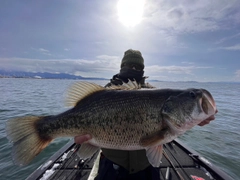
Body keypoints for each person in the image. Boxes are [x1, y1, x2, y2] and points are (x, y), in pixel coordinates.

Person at [74, 49, 216, 180]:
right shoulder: (103, 94)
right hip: (113, 163)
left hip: (145, 166)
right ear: (122, 66)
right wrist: (78, 135)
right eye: (130, 65)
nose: (134, 69)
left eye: (138, 67)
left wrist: (198, 119)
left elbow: (176, 122)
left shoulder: (153, 93)